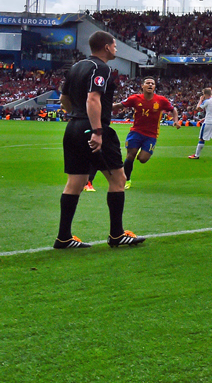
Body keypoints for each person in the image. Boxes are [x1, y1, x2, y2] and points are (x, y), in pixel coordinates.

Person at [53, 30, 146, 249]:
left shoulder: (76, 67)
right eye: (114, 45)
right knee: (118, 180)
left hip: (73, 127)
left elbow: (63, 99)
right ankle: (116, 235)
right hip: (93, 128)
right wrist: (96, 130)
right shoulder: (101, 68)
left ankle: (63, 237)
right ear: (106, 47)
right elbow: (93, 98)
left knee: (75, 182)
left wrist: (77, 115)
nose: (116, 48)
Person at [113, 76, 181, 189]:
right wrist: (103, 108)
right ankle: (126, 179)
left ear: (154, 87)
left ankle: (140, 151)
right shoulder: (135, 98)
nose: (150, 85)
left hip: (151, 135)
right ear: (142, 86)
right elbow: (119, 105)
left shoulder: (161, 100)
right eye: (148, 83)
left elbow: (173, 109)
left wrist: (176, 121)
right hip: (136, 132)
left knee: (143, 159)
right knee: (130, 155)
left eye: (152, 83)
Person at [188, 88, 212, 160]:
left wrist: (200, 100)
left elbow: (198, 109)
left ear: (205, 94)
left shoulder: (207, 101)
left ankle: (196, 155)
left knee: (201, 138)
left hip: (208, 122)